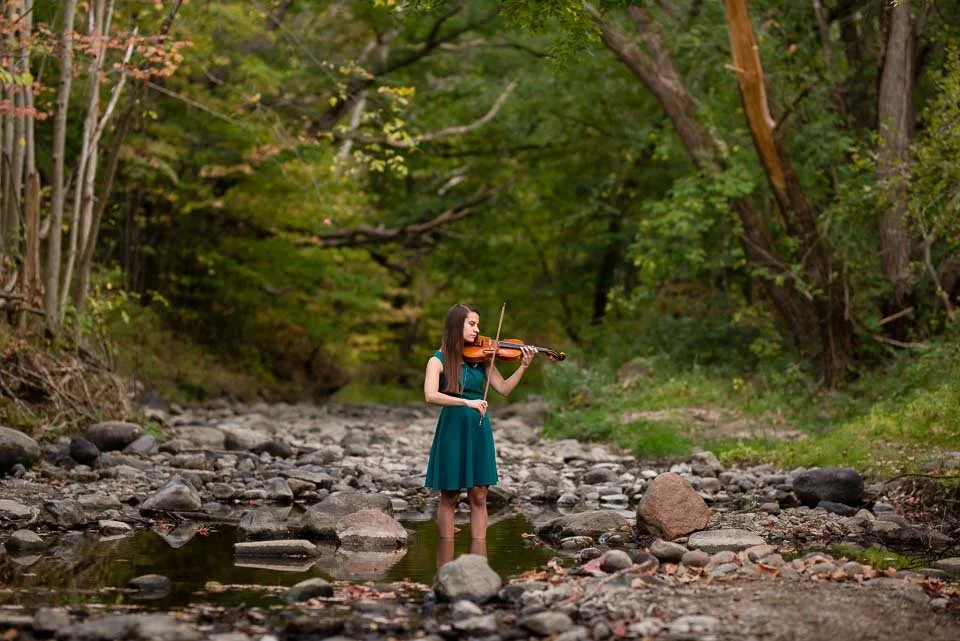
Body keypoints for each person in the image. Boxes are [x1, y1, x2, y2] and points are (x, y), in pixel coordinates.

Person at [423, 303, 536, 557]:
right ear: (456, 326)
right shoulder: (437, 360)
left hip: (478, 429)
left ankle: (479, 559)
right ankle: (446, 558)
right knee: (449, 495)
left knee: (480, 495)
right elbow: (430, 395)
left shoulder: (482, 359)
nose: (477, 330)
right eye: (472, 324)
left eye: (477, 324)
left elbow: (504, 389)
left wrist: (523, 366)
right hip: (453, 427)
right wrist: (467, 401)